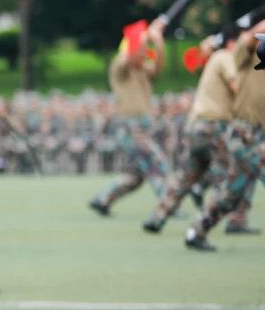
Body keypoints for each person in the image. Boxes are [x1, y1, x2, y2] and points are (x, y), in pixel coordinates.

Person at [143, 28, 239, 233]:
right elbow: (236, 86)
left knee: (186, 177)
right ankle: (209, 221)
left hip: (195, 126)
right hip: (213, 125)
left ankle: (157, 217)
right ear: (232, 43)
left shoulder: (215, 59)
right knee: (231, 174)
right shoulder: (225, 57)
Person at [185, 15, 265, 251]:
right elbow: (249, 39)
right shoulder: (245, 54)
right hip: (244, 131)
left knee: (232, 193)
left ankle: (196, 231)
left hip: (258, 133)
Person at [89, 20, 170, 215]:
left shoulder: (143, 69)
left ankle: (102, 199)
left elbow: (159, 65)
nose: (145, 52)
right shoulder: (120, 67)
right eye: (141, 49)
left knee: (135, 176)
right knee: (156, 160)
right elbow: (129, 56)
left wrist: (158, 40)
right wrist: (143, 38)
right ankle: (168, 203)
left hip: (142, 126)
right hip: (129, 126)